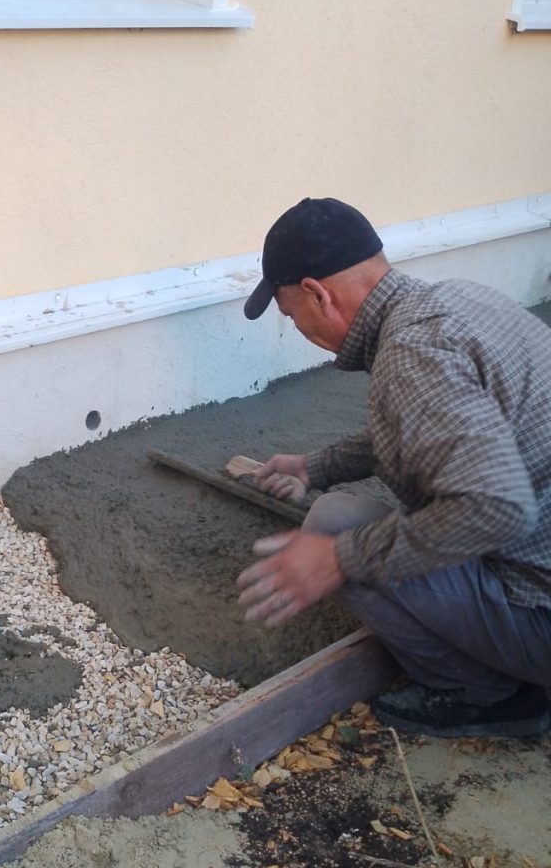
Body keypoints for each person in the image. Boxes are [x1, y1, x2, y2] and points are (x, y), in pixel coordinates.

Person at [236, 197, 551, 738]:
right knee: (340, 516)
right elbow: (434, 424)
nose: (298, 329)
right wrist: (316, 466)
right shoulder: (456, 302)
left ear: (317, 293)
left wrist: (338, 559)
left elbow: (496, 507)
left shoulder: (411, 354)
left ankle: (486, 695)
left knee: (332, 529)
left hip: (540, 610)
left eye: (290, 316)